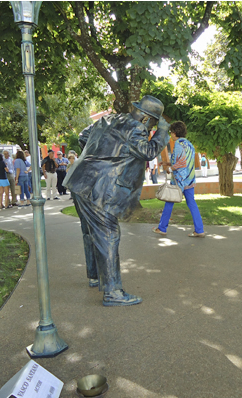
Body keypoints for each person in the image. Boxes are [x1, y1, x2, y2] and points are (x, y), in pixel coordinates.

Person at [64, 95, 170, 306]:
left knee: (90, 232)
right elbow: (148, 152)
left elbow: (83, 136)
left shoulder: (109, 119)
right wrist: (162, 132)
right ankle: (112, 292)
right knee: (108, 234)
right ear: (146, 119)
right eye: (153, 123)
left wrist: (100, 155)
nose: (151, 128)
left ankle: (95, 276)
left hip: (79, 181)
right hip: (98, 189)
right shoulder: (136, 128)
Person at [153, 120, 205, 238]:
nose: (171, 135)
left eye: (171, 132)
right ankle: (199, 230)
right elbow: (185, 161)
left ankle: (162, 228)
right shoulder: (189, 144)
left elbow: (181, 163)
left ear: (175, 132)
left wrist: (170, 169)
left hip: (179, 180)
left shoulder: (178, 144)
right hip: (189, 180)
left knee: (169, 202)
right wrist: (167, 163)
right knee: (192, 204)